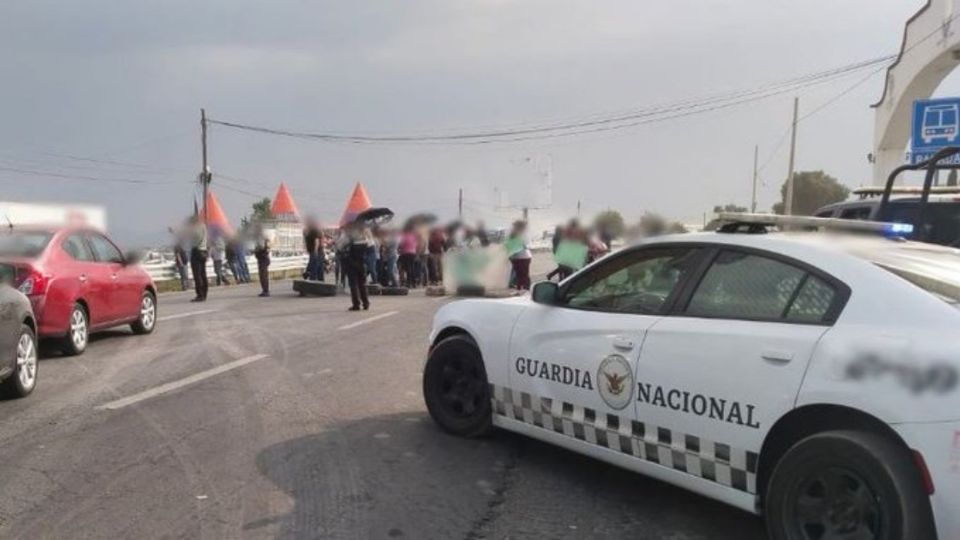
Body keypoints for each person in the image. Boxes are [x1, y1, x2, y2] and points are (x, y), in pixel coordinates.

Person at [337, 222, 370, 311]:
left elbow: (339, 246)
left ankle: (356, 304)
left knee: (353, 284)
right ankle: (366, 303)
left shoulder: (348, 236)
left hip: (351, 262)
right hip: (362, 263)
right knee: (362, 283)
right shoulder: (364, 237)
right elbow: (369, 246)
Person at [188, 215, 209, 302]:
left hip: (197, 251)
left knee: (197, 275)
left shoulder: (196, 228)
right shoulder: (203, 226)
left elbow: (197, 239)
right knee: (203, 274)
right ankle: (204, 293)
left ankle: (200, 294)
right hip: (204, 250)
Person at [508, 220, 532, 290]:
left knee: (520, 274)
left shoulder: (516, 234)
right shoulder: (521, 234)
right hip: (524, 256)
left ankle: (521, 287)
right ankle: (525, 287)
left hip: (520, 256)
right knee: (523, 274)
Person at [253, 224, 271, 297]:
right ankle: (265, 290)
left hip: (263, 259)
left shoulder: (261, 238)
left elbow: (262, 248)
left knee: (263, 276)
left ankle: (266, 291)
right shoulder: (264, 238)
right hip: (264, 258)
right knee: (263, 275)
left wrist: (256, 251)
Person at [169, 228, 190, 292]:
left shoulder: (182, 246)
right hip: (182, 262)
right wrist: (181, 262)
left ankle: (185, 286)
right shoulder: (178, 246)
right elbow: (178, 255)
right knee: (184, 275)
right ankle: (185, 286)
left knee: (184, 275)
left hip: (184, 262)